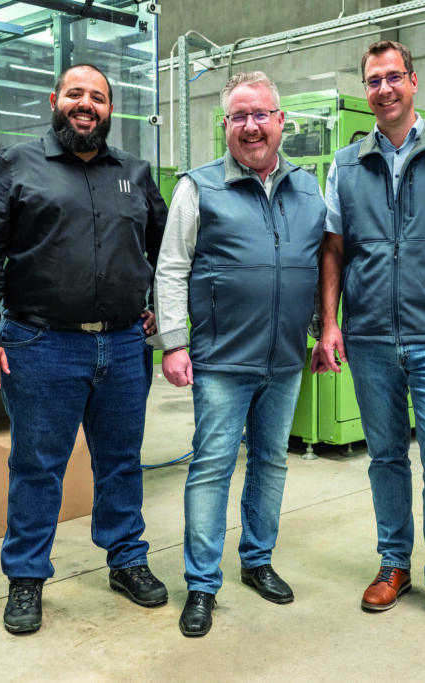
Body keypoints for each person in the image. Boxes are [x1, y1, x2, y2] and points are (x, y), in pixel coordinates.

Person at [0, 63, 168, 635]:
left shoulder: (134, 172)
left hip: (123, 344)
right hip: (40, 343)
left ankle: (126, 559)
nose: (86, 104)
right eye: (75, 93)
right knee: (37, 466)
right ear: (55, 100)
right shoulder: (16, 164)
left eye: (97, 97)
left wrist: (156, 303)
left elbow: (166, 249)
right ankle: (26, 576)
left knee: (122, 461)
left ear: (109, 109)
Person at [311, 40, 425, 638]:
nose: (384, 89)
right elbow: (332, 250)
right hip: (369, 337)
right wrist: (330, 323)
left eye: (394, 77)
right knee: (386, 457)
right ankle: (394, 564)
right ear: (365, 90)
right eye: (374, 80)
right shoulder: (346, 165)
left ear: (413, 82)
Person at [150, 71, 326, 637]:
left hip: (285, 358)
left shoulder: (308, 189)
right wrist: (174, 342)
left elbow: (320, 265)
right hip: (222, 359)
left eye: (261, 114)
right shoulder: (198, 187)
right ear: (225, 124)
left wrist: (324, 329)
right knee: (212, 467)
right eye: (239, 116)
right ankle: (202, 584)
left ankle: (258, 560)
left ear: (281, 121)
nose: (251, 126)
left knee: (271, 461)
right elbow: (171, 268)